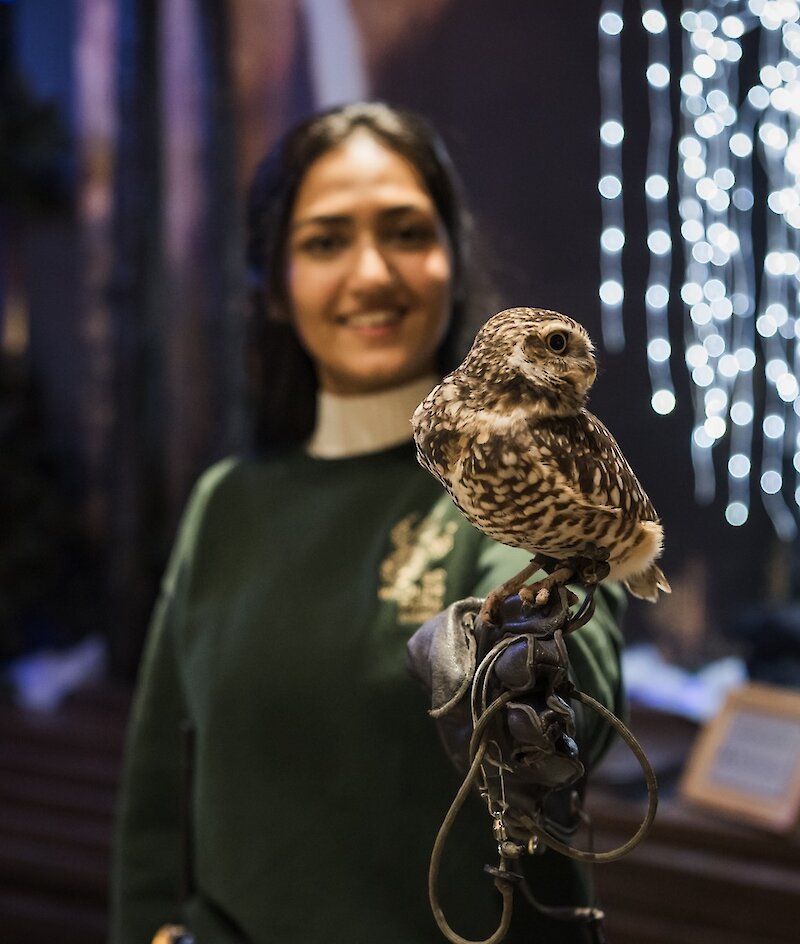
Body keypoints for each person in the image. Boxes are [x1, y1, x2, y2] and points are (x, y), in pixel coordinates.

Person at [110, 101, 625, 944]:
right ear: (274, 285)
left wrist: (532, 672)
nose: (372, 273)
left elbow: (578, 685)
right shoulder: (225, 503)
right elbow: (157, 798)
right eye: (325, 241)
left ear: (454, 263)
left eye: (407, 232)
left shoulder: (528, 470)